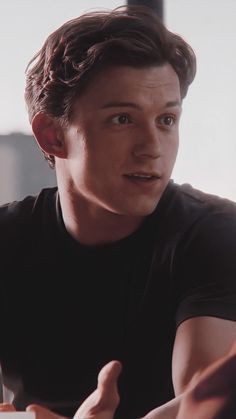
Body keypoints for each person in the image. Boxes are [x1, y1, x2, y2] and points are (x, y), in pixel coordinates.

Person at [0, 4, 236, 419]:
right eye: (123, 119)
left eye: (166, 119)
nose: (152, 147)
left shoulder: (214, 233)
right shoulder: (8, 239)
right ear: (52, 134)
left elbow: (203, 403)